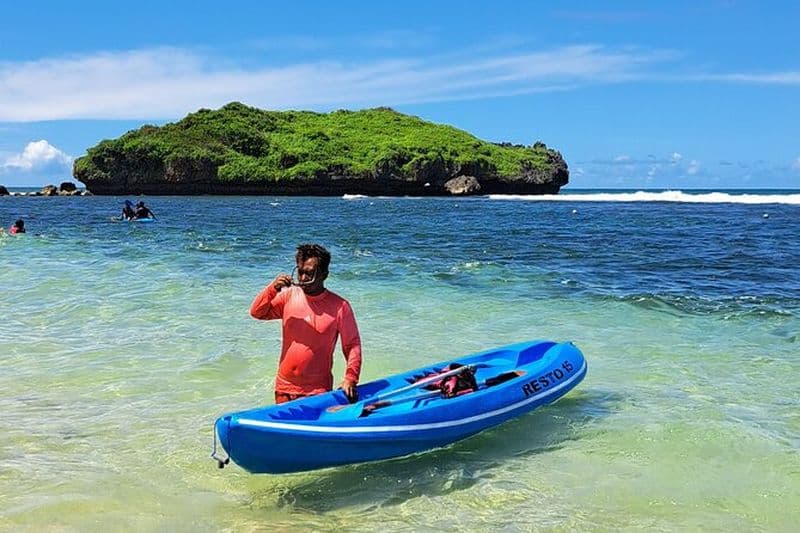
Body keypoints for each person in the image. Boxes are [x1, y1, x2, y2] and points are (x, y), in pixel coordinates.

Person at [250, 243, 362, 405]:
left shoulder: (340, 307)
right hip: (284, 388)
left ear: (324, 274)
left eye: (309, 274)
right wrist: (272, 289)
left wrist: (350, 378)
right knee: (283, 431)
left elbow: (352, 346)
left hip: (317, 391)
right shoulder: (288, 297)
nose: (302, 278)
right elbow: (257, 312)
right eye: (300, 272)